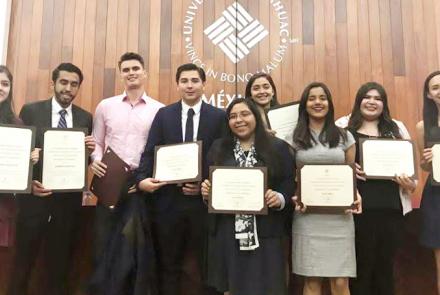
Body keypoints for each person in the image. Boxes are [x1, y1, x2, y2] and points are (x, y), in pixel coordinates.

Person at [135, 63, 226, 295]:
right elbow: (149, 151)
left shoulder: (219, 117)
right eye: (184, 81)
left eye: (195, 80)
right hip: (168, 203)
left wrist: (205, 184)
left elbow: (224, 159)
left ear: (204, 84)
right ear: (177, 85)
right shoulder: (164, 115)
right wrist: (141, 180)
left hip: (203, 204)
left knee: (208, 266)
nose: (189, 85)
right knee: (168, 264)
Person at [7, 63, 95, 295]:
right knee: (23, 265)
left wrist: (89, 152)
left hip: (67, 205)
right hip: (34, 201)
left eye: (74, 84)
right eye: (64, 82)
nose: (68, 88)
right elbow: (20, 154)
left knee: (59, 267)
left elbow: (81, 164)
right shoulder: (31, 111)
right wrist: (29, 185)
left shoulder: (86, 117)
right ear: (53, 83)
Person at [200, 98, 295, 295]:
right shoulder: (218, 147)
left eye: (245, 114)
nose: (239, 120)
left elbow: (288, 182)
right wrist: (206, 191)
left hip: (266, 230)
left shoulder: (277, 147)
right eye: (233, 116)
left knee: (265, 286)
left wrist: (280, 198)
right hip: (227, 231)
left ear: (256, 117)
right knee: (231, 287)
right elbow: (210, 183)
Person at [88, 52, 164, 294]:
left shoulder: (158, 110)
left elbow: (157, 149)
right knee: (105, 244)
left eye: (135, 68)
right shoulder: (105, 106)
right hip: (108, 181)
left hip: (139, 184)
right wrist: (95, 161)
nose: (131, 73)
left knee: (136, 250)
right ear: (121, 73)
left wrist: (142, 178)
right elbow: (97, 142)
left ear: (145, 73)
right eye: (126, 69)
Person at [336, 82, 415, 295]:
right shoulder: (343, 127)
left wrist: (410, 183)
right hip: (358, 212)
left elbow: (412, 174)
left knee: (385, 269)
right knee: (361, 268)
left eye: (378, 98)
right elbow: (332, 166)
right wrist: (348, 169)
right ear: (359, 101)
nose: (372, 102)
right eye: (367, 97)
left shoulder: (396, 128)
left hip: (392, 210)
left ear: (384, 104)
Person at [291, 82, 361, 295]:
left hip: (340, 217)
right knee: (312, 281)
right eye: (312, 98)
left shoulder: (345, 137)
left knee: (340, 282)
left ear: (329, 104)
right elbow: (289, 178)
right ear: (304, 105)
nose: (317, 102)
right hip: (308, 216)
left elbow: (350, 175)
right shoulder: (293, 139)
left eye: (322, 98)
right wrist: (294, 196)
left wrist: (356, 195)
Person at [0, 65, 38, 247]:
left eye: (5, 84)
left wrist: (31, 157)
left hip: (3, 204)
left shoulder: (16, 123)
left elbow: (21, 166)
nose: (1, 87)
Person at [416, 70, 440, 295]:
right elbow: (424, 168)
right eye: (435, 87)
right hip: (436, 196)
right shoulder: (423, 126)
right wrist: (426, 161)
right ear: (429, 94)